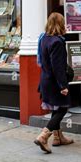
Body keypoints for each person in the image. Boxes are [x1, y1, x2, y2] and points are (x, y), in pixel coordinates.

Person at [34, 12, 74, 153]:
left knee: (56, 108)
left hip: (45, 79)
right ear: (61, 24)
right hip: (54, 82)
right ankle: (44, 136)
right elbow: (57, 66)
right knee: (62, 108)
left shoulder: (44, 38)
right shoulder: (57, 42)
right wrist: (63, 85)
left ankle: (58, 137)